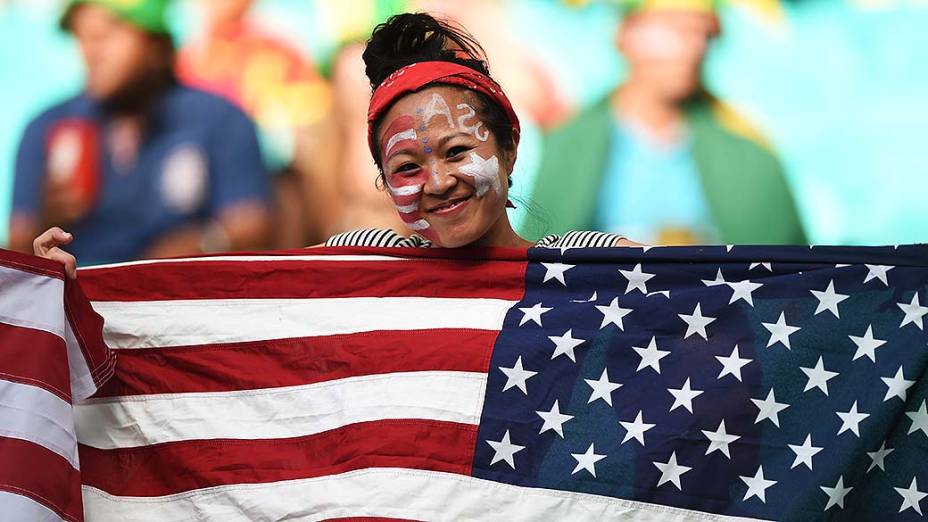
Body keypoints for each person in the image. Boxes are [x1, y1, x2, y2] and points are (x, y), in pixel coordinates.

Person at [34, 12, 637, 275]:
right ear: (383, 182)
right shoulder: (352, 258)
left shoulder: (590, 262)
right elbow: (223, 309)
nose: (437, 182)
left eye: (457, 151)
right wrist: (76, 288)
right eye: (406, 165)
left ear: (508, 148)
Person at [10, 0, 271, 266]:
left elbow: (253, 225)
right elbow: (15, 254)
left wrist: (204, 242)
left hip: (178, 297)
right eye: (83, 38)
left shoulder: (219, 118)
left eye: (105, 36)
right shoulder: (48, 127)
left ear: (156, 46)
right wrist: (44, 219)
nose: (91, 52)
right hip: (76, 296)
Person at [529, 0, 806, 245]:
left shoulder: (751, 154)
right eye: (674, 29)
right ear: (624, 34)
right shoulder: (568, 145)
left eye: (703, 34)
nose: (693, 48)